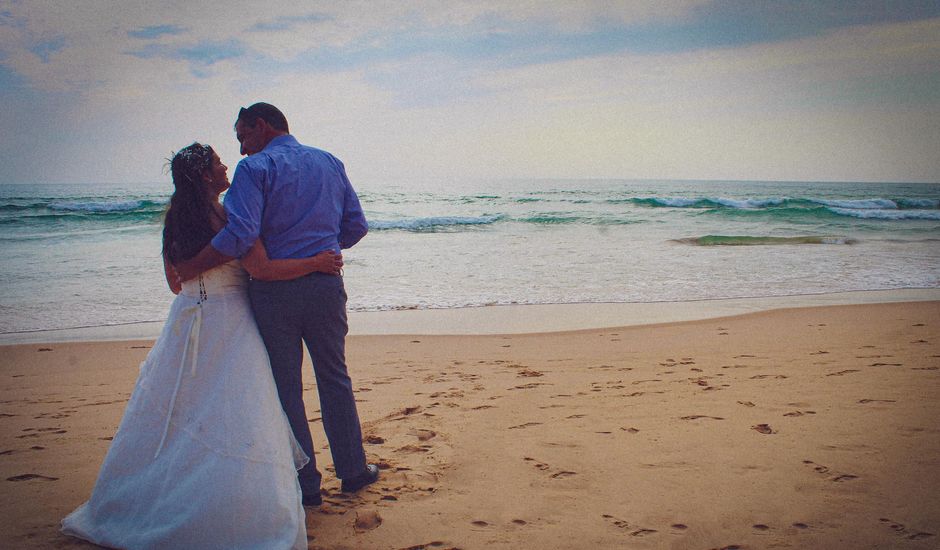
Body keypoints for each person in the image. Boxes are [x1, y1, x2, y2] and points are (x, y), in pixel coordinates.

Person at [61, 143, 340, 549]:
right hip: (231, 322)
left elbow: (175, 283)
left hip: (187, 320)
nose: (227, 165)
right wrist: (315, 264)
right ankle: (233, 507)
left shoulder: (175, 218)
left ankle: (164, 497)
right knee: (240, 413)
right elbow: (260, 268)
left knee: (186, 416)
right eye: (218, 162)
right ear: (206, 176)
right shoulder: (231, 216)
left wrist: (195, 272)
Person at [174, 103, 377, 507]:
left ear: (261, 126)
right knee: (335, 378)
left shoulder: (254, 170)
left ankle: (306, 486)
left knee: (287, 388)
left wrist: (194, 265)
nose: (242, 151)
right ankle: (353, 472)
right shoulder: (329, 161)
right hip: (324, 287)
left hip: (274, 294)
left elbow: (241, 233)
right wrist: (323, 246)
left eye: (243, 138)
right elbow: (356, 226)